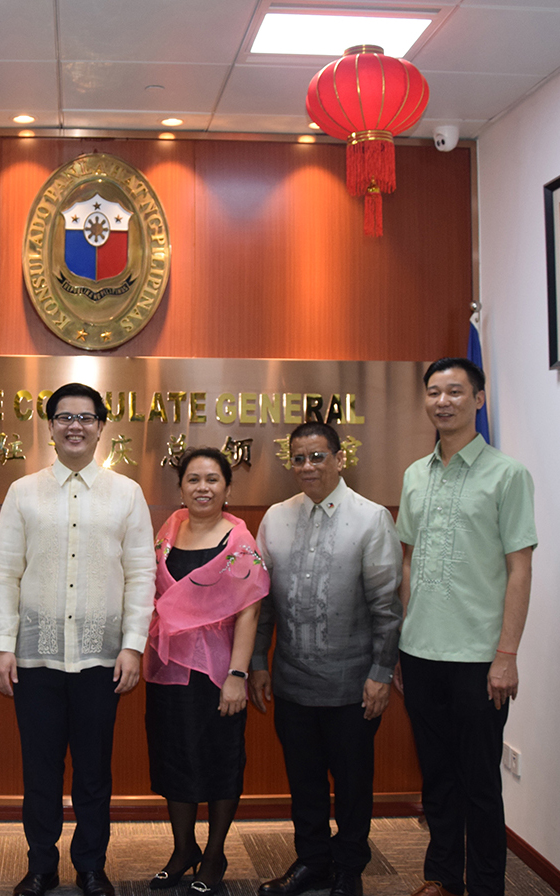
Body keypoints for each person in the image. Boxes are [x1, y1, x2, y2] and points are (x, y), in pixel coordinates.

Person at [0, 382, 156, 896]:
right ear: (50, 426)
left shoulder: (127, 493)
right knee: (39, 772)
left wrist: (132, 645)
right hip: (35, 657)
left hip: (100, 659)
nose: (75, 426)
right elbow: (3, 572)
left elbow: (142, 573)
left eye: (86, 418)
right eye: (65, 417)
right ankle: (40, 865)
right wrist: (2, 644)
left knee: (92, 773)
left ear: (102, 427)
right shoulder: (23, 491)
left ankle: (90, 865)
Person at [396, 358, 536, 896]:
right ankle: (440, 879)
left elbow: (519, 567)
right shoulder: (414, 474)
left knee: (479, 784)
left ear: (479, 399)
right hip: (421, 652)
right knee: (437, 780)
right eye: (434, 392)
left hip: (480, 658)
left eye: (456, 391)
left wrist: (508, 653)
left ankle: (485, 886)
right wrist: (402, 643)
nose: (443, 401)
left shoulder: (508, 475)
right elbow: (408, 562)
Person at [249, 423, 402, 896]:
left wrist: (380, 674)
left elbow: (388, 607)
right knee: (305, 782)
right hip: (293, 682)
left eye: (317, 457)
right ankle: (312, 862)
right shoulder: (275, 518)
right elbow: (263, 603)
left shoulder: (371, 518)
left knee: (353, 784)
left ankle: (350, 868)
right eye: (298, 458)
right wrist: (257, 662)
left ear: (340, 458)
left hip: (353, 685)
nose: (307, 467)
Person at [143, 448, 267, 895]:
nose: (202, 487)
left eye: (212, 479)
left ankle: (214, 854)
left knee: (220, 760)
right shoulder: (168, 532)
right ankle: (183, 849)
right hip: (168, 667)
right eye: (193, 479)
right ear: (180, 488)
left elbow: (250, 612)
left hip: (217, 673)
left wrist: (239, 674)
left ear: (228, 488)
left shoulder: (240, 543)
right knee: (173, 757)